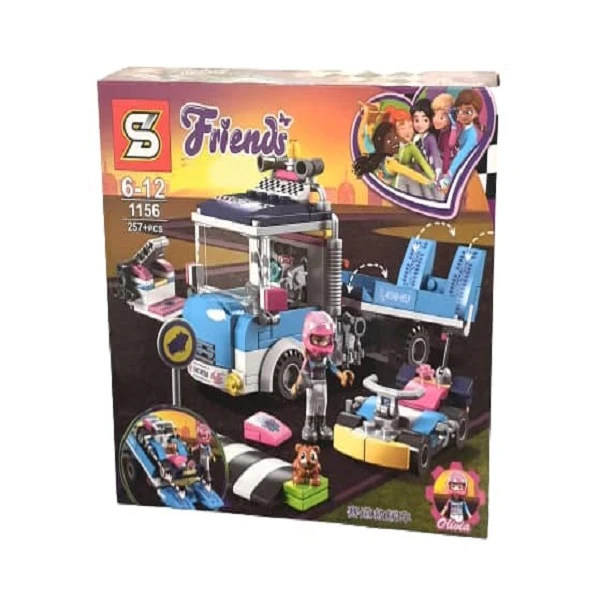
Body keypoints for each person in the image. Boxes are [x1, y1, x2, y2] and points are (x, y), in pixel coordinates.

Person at [291, 311, 354, 442]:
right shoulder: (309, 359)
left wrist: (341, 375)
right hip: (311, 385)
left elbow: (332, 367)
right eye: (318, 340)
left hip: (323, 384)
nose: (322, 343)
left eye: (325, 340)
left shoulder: (325, 358)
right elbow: (303, 372)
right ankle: (309, 426)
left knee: (323, 404)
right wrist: (297, 385)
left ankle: (322, 425)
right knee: (311, 406)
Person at [352, 121, 434, 186]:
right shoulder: (391, 163)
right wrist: (427, 182)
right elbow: (409, 172)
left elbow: (362, 137)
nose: (395, 141)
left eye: (395, 136)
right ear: (381, 144)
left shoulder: (373, 155)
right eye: (389, 139)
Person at [411, 98, 442, 180]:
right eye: (416, 120)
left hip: (428, 170)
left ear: (431, 122)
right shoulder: (415, 137)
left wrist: (438, 170)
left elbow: (435, 154)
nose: (420, 124)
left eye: (425, 120)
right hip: (416, 170)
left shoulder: (430, 138)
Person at [431, 93, 458, 175]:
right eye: (434, 115)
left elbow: (447, 152)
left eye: (441, 118)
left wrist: (444, 172)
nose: (436, 120)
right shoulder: (443, 131)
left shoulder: (448, 133)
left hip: (449, 164)